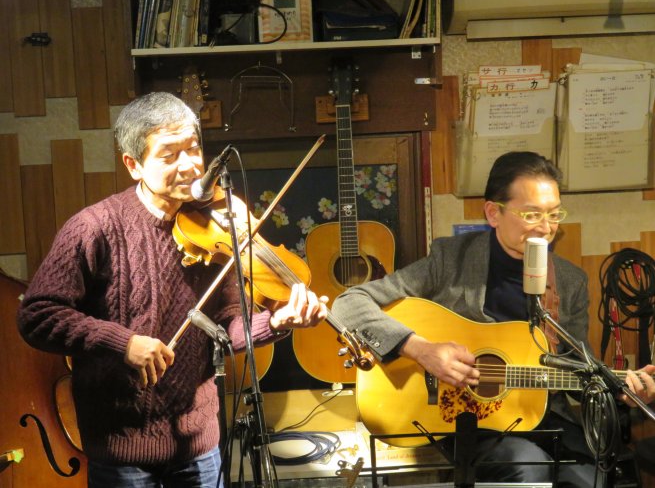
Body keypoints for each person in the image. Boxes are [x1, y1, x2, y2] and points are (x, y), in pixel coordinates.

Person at [16, 91, 328, 488]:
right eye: (169, 155)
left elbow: (227, 330)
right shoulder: (93, 228)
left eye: (193, 149)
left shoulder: (220, 227)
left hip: (199, 450)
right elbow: (37, 315)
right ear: (134, 165)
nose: (190, 166)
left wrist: (277, 322)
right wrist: (123, 343)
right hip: (121, 452)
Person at [332, 151, 655, 487]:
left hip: (545, 419)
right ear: (493, 213)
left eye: (554, 214)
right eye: (532, 214)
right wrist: (419, 349)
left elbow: (578, 368)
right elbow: (348, 303)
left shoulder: (569, 281)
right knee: (529, 469)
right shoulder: (451, 259)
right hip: (466, 419)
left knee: (599, 479)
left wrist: (620, 391)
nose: (546, 228)